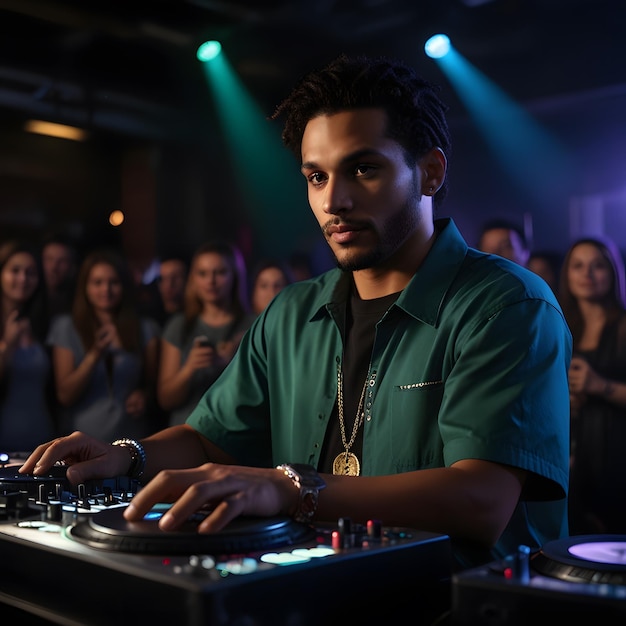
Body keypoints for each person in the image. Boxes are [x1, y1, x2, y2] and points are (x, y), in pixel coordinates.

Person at [21, 55, 571, 571]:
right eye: (317, 177)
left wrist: (292, 489)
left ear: (430, 173)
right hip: (313, 596)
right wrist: (129, 454)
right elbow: (212, 438)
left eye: (363, 170)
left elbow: (481, 499)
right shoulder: (291, 312)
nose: (335, 202)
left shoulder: (505, 304)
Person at [46, 247, 161, 441]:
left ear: (124, 285)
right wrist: (94, 354)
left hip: (129, 439)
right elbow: (65, 395)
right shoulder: (66, 327)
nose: (105, 290)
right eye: (97, 283)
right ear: (85, 287)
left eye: (113, 282)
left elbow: (154, 386)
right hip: (79, 440)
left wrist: (144, 397)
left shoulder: (145, 328)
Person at [558, 236, 626, 535]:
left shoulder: (623, 327)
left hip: (618, 460)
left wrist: (601, 386)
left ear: (613, 272)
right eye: (578, 266)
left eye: (598, 266)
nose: (587, 274)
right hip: (575, 461)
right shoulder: (559, 327)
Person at [157, 240, 256, 426]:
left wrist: (233, 364)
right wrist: (189, 368)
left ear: (234, 275)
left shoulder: (252, 325)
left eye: (220, 272)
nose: (211, 281)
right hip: (186, 433)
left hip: (233, 432)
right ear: (193, 278)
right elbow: (166, 399)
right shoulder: (179, 325)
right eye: (202, 273)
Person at [0, 240, 56, 453]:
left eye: (30, 272)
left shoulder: (44, 322)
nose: (23, 279)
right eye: (15, 270)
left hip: (41, 443)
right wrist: (7, 344)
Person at [40, 230, 79, 321]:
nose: (54, 267)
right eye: (49, 259)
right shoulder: (27, 301)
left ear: (72, 267)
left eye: (62, 261)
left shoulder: (78, 304)